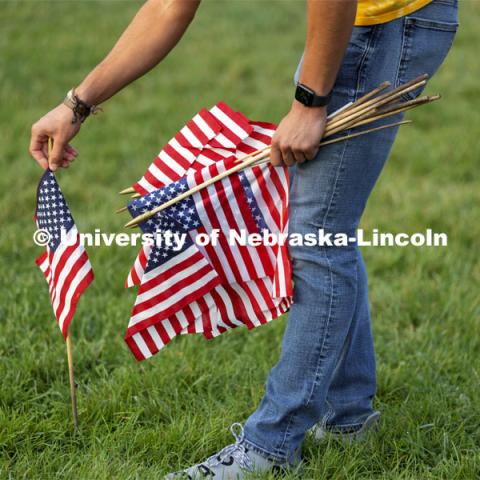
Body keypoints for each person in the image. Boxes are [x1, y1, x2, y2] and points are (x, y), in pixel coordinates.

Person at [29, 0, 458, 477]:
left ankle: (272, 447)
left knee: (316, 235)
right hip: (366, 23)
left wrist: (310, 103)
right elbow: (170, 6)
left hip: (380, 22)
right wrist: (77, 104)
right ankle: (347, 416)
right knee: (323, 225)